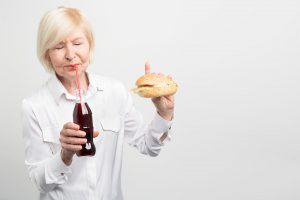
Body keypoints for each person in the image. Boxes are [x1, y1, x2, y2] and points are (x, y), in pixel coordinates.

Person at [21, 6, 175, 200]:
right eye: (59, 47)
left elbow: (149, 146)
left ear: (89, 45)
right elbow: (39, 181)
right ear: (47, 54)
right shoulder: (34, 106)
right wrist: (64, 155)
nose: (70, 54)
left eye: (78, 43)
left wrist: (164, 114)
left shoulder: (115, 92)